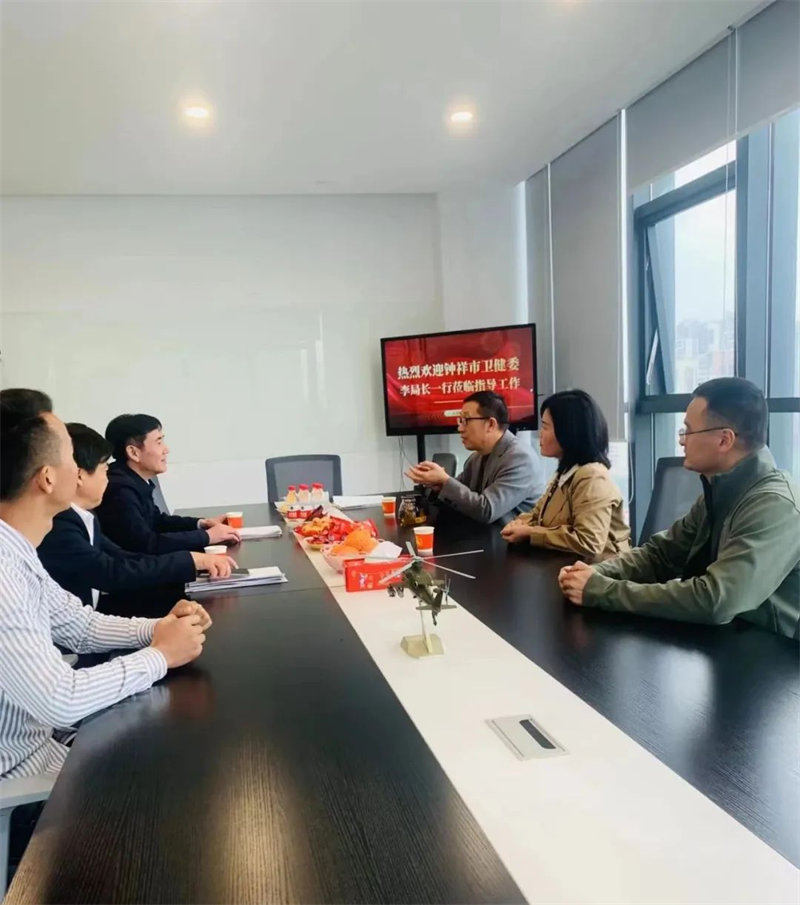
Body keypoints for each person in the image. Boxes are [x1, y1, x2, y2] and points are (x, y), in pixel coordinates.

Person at [0, 388, 212, 780]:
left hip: (51, 745)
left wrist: (158, 628)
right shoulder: (3, 574)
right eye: (71, 456)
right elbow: (61, 699)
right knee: (189, 767)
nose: (103, 471)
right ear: (48, 478)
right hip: (28, 780)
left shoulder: (16, 551)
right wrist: (161, 655)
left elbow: (79, 625)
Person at [559, 378, 800, 639]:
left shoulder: (774, 506)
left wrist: (602, 591)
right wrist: (595, 574)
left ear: (724, 440)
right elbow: (661, 556)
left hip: (772, 653)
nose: (682, 440)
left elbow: (715, 600)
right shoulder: (719, 492)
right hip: (728, 640)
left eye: (688, 431)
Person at [38, 423, 235, 610]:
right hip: (88, 620)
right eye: (104, 470)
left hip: (95, 613)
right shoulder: (61, 522)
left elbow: (121, 555)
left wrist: (192, 559)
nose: (107, 479)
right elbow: (111, 571)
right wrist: (192, 558)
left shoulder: (84, 514)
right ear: (79, 476)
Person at [501, 390, 630, 558]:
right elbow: (538, 515)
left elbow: (589, 541)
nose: (540, 434)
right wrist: (519, 524)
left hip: (600, 570)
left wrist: (530, 533)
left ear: (568, 432)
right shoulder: (565, 472)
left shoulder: (592, 476)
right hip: (565, 564)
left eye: (545, 426)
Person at [96, 413, 239, 554]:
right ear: (134, 453)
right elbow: (146, 544)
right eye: (158, 442)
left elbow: (157, 522)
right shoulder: (119, 490)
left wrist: (202, 524)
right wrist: (207, 536)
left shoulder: (132, 480)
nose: (166, 450)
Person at [405, 391, 545, 526]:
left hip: (508, 539)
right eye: (460, 420)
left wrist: (445, 480)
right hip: (481, 535)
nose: (460, 428)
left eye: (466, 420)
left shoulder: (520, 459)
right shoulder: (476, 457)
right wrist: (438, 485)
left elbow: (487, 510)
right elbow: (461, 498)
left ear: (491, 424)